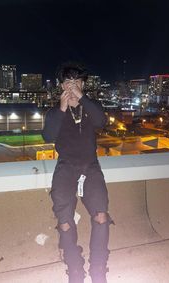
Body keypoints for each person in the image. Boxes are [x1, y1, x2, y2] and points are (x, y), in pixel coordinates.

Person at [42, 62, 112, 283]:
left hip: (90, 167)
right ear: (61, 86)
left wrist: (82, 99)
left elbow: (102, 121)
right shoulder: (56, 112)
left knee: (101, 217)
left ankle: (98, 269)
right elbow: (48, 136)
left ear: (83, 84)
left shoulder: (90, 108)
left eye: (76, 82)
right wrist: (62, 108)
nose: (71, 87)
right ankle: (75, 268)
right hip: (66, 167)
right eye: (67, 82)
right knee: (64, 221)